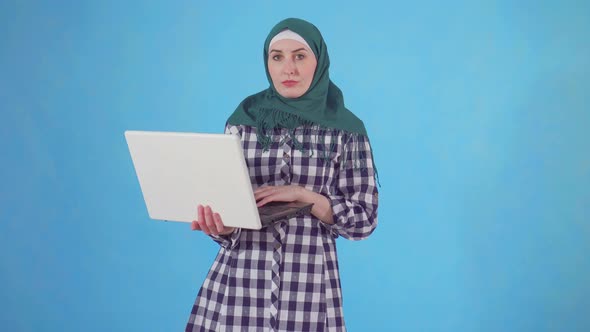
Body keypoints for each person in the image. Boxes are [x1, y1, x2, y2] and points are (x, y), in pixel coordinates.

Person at [186, 18, 379, 332]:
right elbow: (228, 210)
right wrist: (220, 227)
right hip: (240, 286)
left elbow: (364, 221)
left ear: (319, 61)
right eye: (277, 57)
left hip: (309, 289)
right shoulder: (243, 121)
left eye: (299, 56)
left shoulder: (347, 130)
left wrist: (307, 197)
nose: (288, 68)